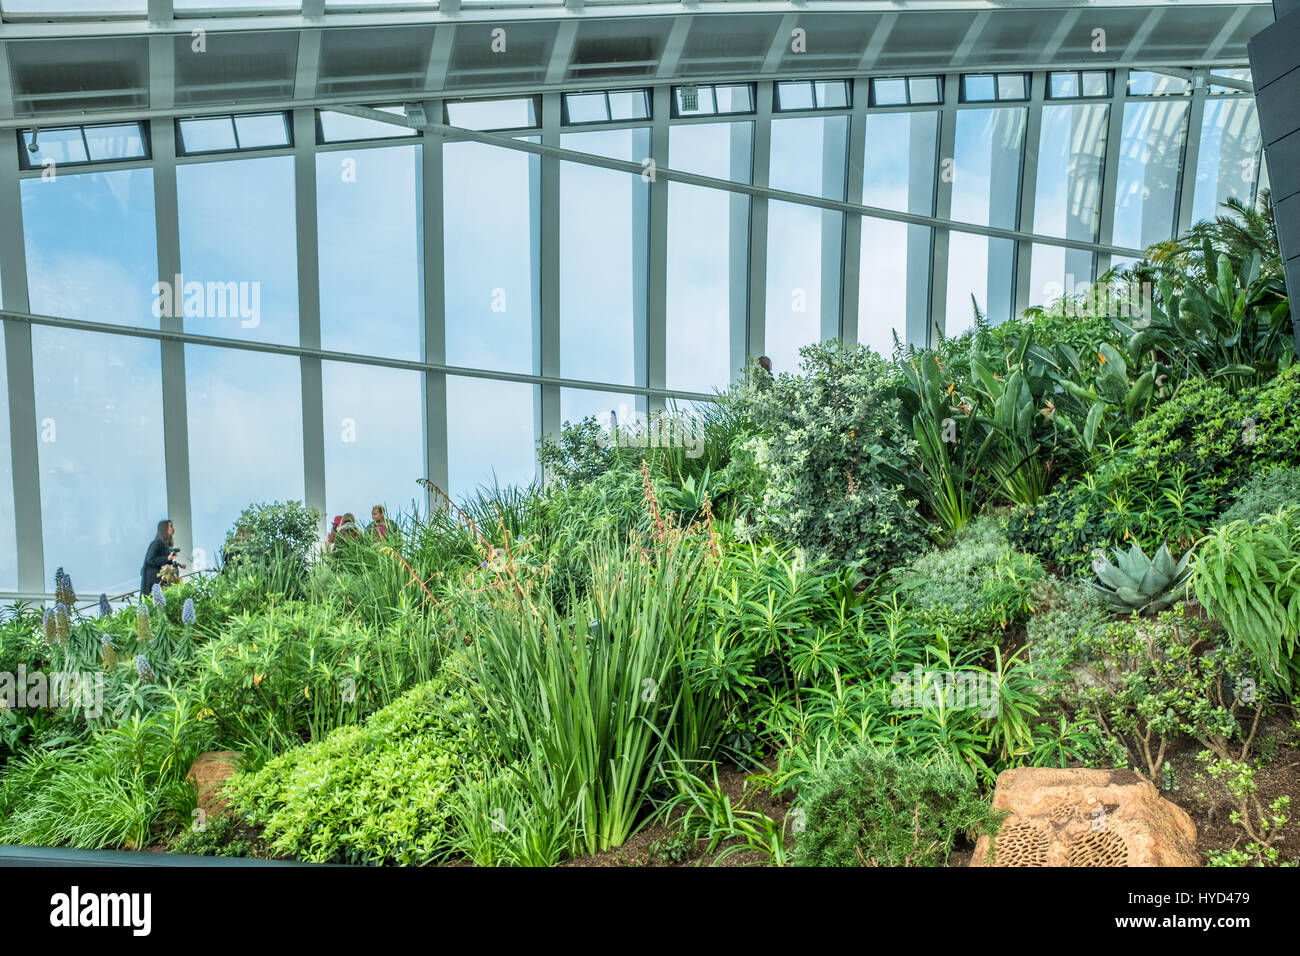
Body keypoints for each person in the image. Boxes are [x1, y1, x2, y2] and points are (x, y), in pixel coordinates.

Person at [141, 519, 184, 594]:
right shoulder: (157, 543)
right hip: (152, 582)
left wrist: (176, 564)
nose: (173, 529)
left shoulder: (165, 545)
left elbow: (163, 563)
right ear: (164, 529)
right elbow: (150, 560)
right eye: (170, 526)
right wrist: (167, 558)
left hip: (160, 582)